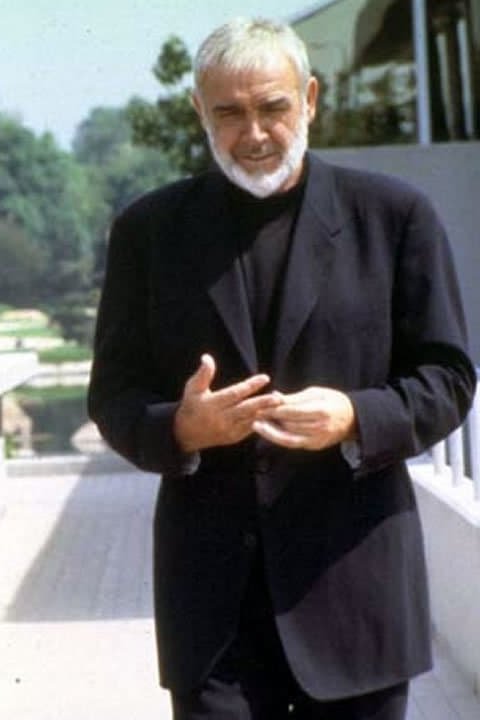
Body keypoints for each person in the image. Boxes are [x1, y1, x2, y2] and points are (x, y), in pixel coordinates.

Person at [87, 17, 474, 720]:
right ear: (198, 112)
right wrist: (182, 428)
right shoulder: (148, 232)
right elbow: (112, 395)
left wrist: (355, 416)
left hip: (357, 597)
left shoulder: (396, 217)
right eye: (229, 113)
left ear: (311, 99)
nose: (255, 133)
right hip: (213, 618)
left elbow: (449, 377)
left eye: (273, 107)